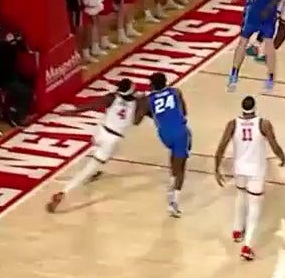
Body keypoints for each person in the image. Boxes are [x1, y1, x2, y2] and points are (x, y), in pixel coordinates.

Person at [47, 79, 141, 213]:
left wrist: (73, 111)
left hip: (101, 131)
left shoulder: (112, 97)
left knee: (100, 152)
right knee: (91, 166)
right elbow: (136, 120)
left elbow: (91, 105)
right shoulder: (137, 103)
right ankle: (64, 191)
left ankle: (89, 170)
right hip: (113, 138)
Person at [213, 96, 285, 261]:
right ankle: (248, 246)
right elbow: (274, 145)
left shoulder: (233, 124)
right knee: (254, 207)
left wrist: (216, 168)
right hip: (256, 170)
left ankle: (237, 229)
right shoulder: (263, 124)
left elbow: (221, 147)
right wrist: (282, 157)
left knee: (240, 196)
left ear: (242, 108)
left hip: (239, 168)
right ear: (254, 107)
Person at [138, 72, 190, 218]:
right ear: (166, 82)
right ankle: (174, 203)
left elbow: (136, 120)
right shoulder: (176, 92)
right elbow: (184, 113)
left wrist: (144, 107)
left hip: (164, 134)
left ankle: (172, 182)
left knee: (173, 151)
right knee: (182, 166)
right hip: (179, 132)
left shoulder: (148, 100)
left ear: (152, 84)